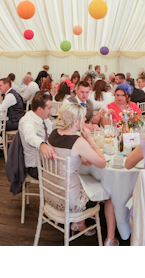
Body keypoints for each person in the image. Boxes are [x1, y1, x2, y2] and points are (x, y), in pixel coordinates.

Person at [48, 101, 116, 245]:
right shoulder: (78, 141)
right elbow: (102, 163)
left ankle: (79, 224)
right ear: (75, 121)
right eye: (83, 118)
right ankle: (111, 238)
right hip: (70, 202)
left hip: (52, 195)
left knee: (83, 180)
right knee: (110, 194)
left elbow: (70, 157)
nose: (85, 120)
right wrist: (90, 140)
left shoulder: (54, 134)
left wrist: (83, 158)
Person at [18, 92, 57, 179]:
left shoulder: (43, 117)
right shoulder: (28, 121)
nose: (51, 110)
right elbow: (29, 135)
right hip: (36, 166)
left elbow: (50, 128)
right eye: (49, 108)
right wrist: (41, 144)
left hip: (46, 160)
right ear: (40, 109)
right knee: (68, 172)